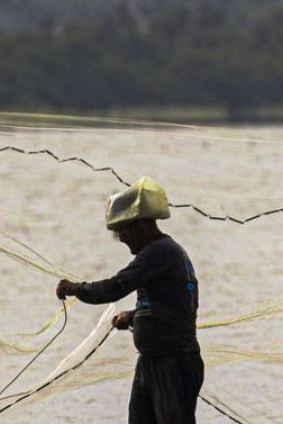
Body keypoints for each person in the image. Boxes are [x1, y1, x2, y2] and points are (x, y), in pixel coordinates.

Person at [55, 176, 202, 424]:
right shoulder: (159, 253)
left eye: (123, 229)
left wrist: (75, 288)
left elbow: (116, 287)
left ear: (141, 226)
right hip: (152, 362)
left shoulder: (160, 251)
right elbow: (170, 304)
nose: (121, 237)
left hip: (173, 362)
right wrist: (134, 317)